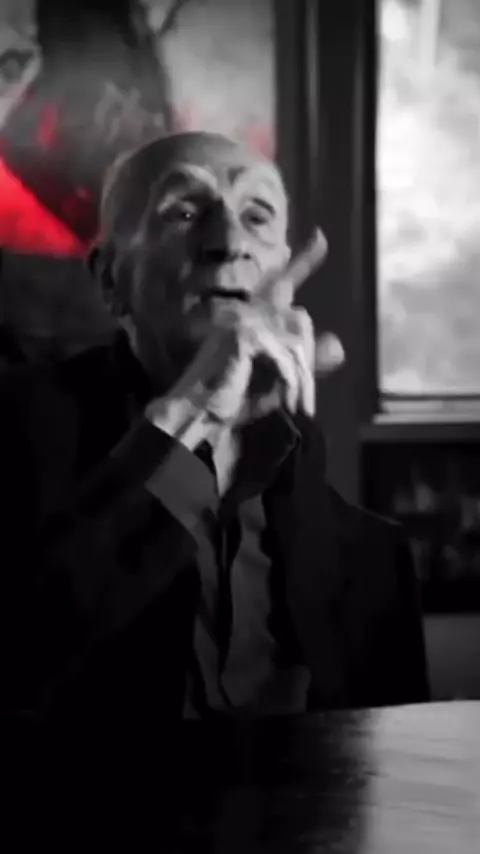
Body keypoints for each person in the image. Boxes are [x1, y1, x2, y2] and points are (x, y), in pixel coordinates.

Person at [0, 131, 429, 733]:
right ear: (110, 279)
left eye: (257, 216)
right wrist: (194, 407)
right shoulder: (16, 440)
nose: (229, 242)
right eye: (183, 212)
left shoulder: (371, 562)